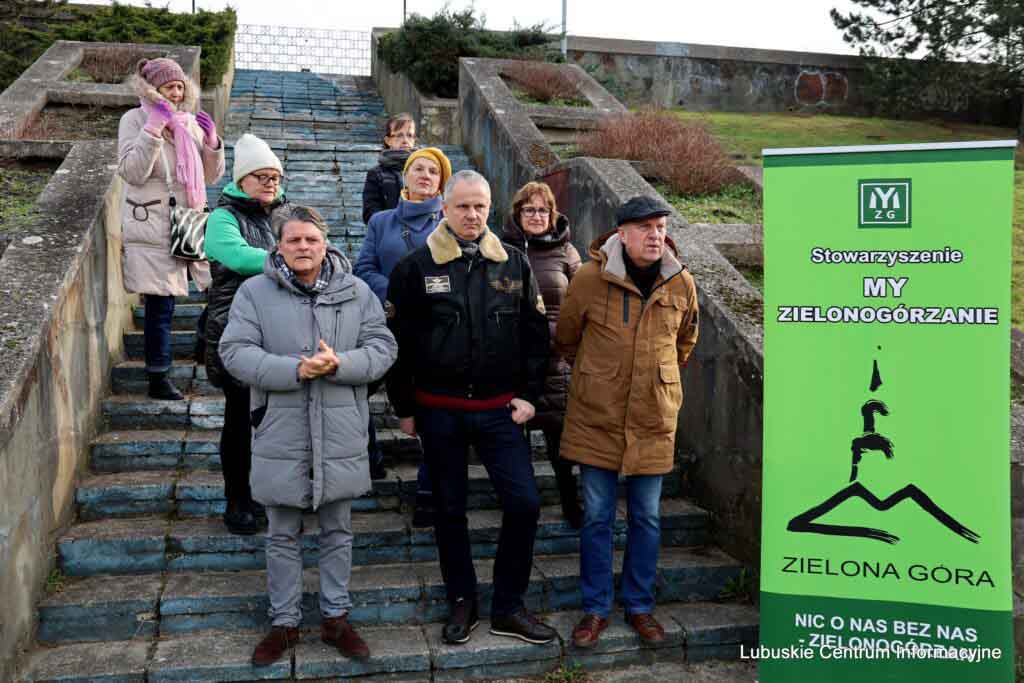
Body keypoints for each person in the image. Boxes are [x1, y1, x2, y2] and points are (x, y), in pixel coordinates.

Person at [218, 204, 398, 668]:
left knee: (338, 530)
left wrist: (341, 364)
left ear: (326, 243)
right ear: (278, 244)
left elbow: (383, 347)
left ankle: (336, 617)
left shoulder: (357, 291)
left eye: (311, 240)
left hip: (340, 427)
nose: (303, 247)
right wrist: (295, 369)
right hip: (281, 427)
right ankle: (284, 621)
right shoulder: (253, 293)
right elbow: (234, 352)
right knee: (282, 533)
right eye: (294, 240)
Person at [386, 170, 556, 646]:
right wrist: (404, 405)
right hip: (439, 411)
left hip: (502, 411)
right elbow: (396, 343)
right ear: (444, 207)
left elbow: (536, 338)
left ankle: (508, 606)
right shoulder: (414, 268)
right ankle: (462, 599)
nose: (472, 214)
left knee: (524, 503)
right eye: (462, 206)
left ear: (489, 208)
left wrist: (529, 394)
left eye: (480, 206)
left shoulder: (514, 264)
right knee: (448, 509)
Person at [555, 196, 699, 649]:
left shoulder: (681, 283)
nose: (655, 235)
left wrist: (654, 382)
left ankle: (639, 607)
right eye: (645, 227)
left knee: (647, 518)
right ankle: (596, 609)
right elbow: (567, 338)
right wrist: (604, 377)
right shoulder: (588, 279)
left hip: (653, 419)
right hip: (596, 417)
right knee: (597, 517)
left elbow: (686, 341)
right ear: (622, 233)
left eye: (660, 226)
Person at [354, 146, 452, 523]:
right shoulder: (381, 221)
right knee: (358, 389)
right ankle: (369, 456)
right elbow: (364, 266)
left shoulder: (448, 221)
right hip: (386, 323)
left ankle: (428, 491)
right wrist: (395, 294)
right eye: (419, 169)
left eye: (434, 172)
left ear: (442, 183)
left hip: (432, 330)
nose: (425, 175)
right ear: (406, 176)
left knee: (433, 405)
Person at [117, 57, 224, 400]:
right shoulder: (133, 120)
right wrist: (151, 131)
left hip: (189, 219)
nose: (176, 93)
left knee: (213, 290)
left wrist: (211, 142)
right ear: (152, 89)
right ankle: (158, 377)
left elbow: (209, 177)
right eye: (169, 87)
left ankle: (202, 352)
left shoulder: (188, 123)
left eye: (180, 86)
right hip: (152, 223)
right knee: (160, 306)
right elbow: (132, 172)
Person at [204, 133, 288, 535]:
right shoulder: (223, 217)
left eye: (275, 176)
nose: (271, 183)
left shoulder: (285, 214)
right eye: (261, 176)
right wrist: (290, 257)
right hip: (236, 330)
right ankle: (237, 498)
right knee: (239, 420)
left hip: (281, 329)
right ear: (241, 180)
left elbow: (314, 244)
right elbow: (236, 255)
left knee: (273, 423)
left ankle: (265, 493)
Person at [500, 181, 583, 529]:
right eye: (529, 210)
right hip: (513, 358)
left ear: (553, 214)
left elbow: (583, 302)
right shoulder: (499, 250)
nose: (536, 216)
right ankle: (520, 506)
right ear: (518, 213)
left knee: (559, 440)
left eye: (543, 210)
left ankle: (570, 502)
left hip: (556, 358)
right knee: (513, 444)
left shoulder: (567, 253)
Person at [361, 113, 416, 224]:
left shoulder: (425, 169)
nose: (405, 140)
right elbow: (369, 213)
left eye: (409, 135)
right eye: (399, 135)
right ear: (388, 140)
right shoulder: (376, 174)